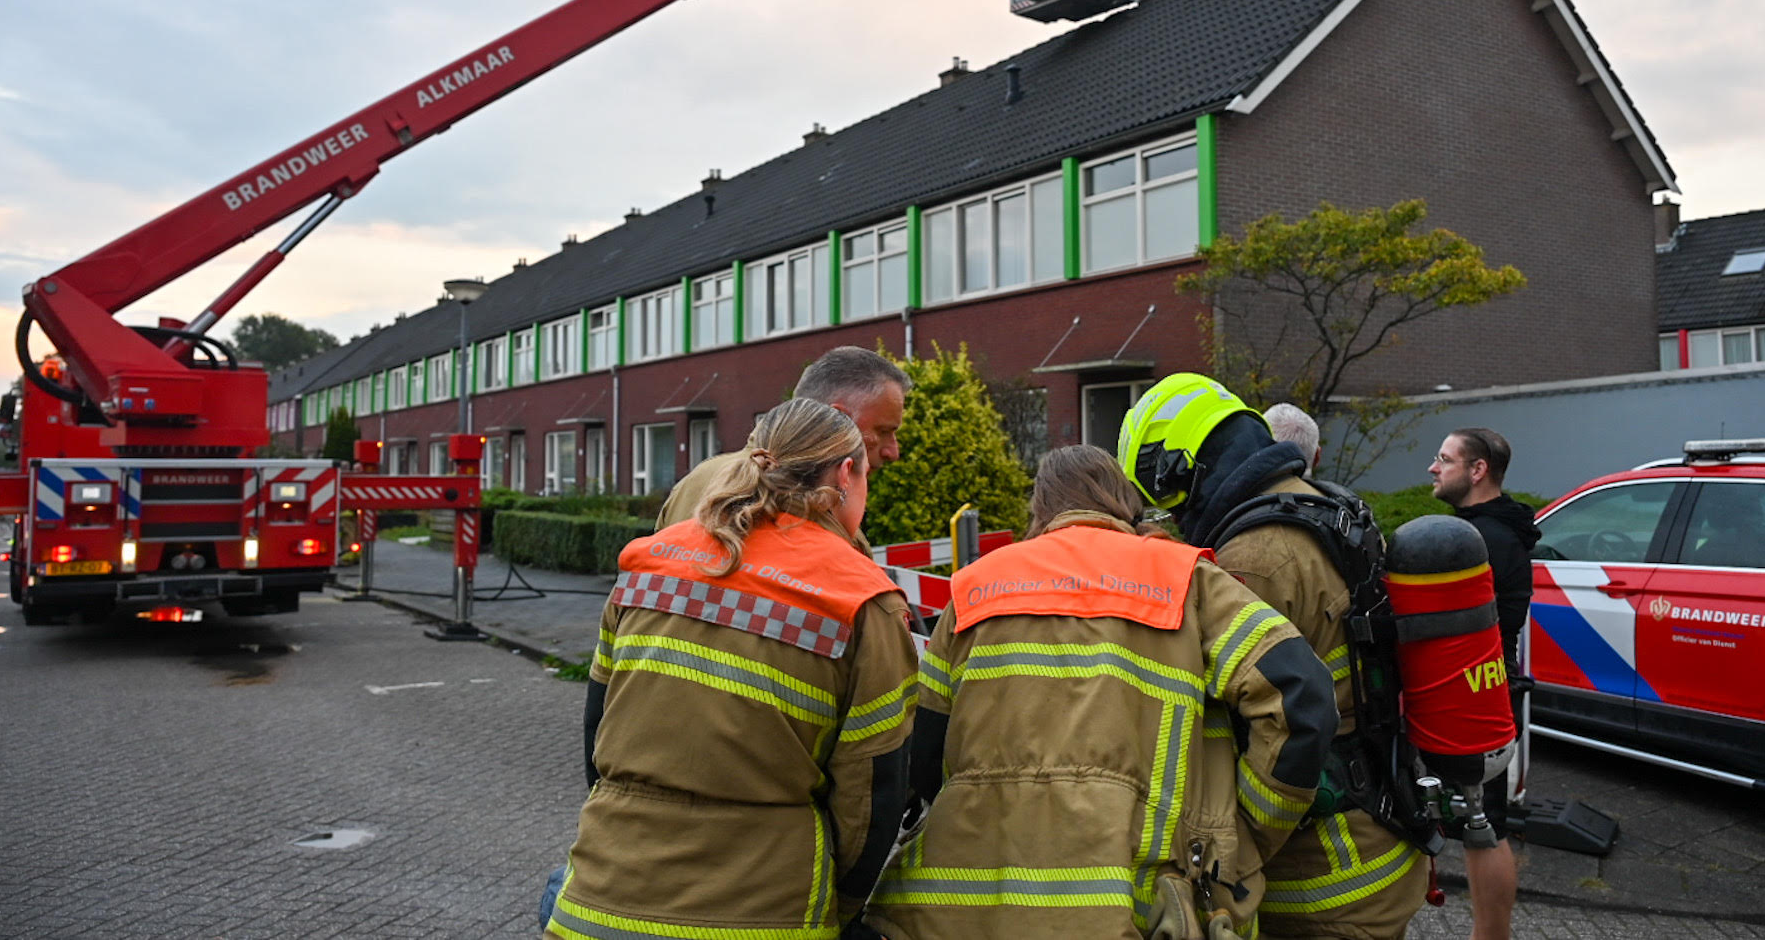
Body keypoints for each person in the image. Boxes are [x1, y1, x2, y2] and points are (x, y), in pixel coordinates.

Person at [867, 444, 1338, 940]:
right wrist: (1247, 836)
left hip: (962, 910)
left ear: (1040, 508)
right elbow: (1301, 696)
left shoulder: (975, 588)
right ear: (1126, 504)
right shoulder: (1186, 580)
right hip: (1139, 904)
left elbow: (922, 752)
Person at [548, 397, 916, 940]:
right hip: (763, 911)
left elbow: (597, 731)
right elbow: (873, 792)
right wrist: (842, 906)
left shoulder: (646, 563)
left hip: (599, 903)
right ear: (844, 474)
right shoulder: (861, 600)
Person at [1118, 374, 1427, 939]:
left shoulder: (1255, 558)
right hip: (1381, 834)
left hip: (1322, 879)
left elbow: (1260, 717)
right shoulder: (1328, 507)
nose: (1169, 513)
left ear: (1181, 469)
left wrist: (1240, 844)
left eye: (1161, 495)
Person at [1428, 427, 1538, 940]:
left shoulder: (1480, 540)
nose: (1433, 467)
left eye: (1445, 459)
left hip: (1475, 698)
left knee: (1483, 825)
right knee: (1480, 823)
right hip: (1487, 690)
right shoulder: (1492, 528)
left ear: (1477, 471)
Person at [655, 345, 909, 530]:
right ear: (838, 419)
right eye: (883, 432)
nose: (892, 452)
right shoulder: (815, 504)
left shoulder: (695, 482)